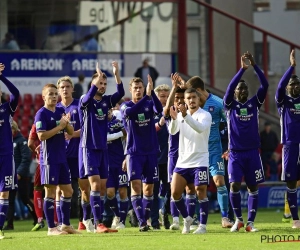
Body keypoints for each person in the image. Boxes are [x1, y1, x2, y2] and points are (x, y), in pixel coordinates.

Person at [223, 51, 268, 232]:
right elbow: (228, 88)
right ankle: (238, 220)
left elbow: (264, 84)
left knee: (252, 186)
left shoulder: (254, 104)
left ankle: (250, 223)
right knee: (234, 184)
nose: (242, 90)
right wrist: (241, 70)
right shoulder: (229, 105)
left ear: (248, 92)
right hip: (235, 153)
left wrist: (255, 66)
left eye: (244, 88)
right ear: (235, 92)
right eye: (239, 89)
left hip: (252, 153)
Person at [78, 61, 124, 233]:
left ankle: (94, 220)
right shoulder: (85, 100)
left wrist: (116, 73)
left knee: (103, 188)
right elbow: (88, 97)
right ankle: (98, 223)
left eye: (105, 83)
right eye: (99, 83)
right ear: (93, 84)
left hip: (103, 148)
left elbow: (120, 92)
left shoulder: (106, 102)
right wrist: (97, 77)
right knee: (95, 186)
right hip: (89, 148)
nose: (103, 86)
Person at [184, 76, 233, 228]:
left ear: (198, 91)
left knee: (220, 182)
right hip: (196, 151)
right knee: (196, 187)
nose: (191, 98)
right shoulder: (190, 104)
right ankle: (196, 218)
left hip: (214, 150)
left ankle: (225, 218)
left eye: (193, 94)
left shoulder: (218, 103)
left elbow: (231, 124)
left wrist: (230, 146)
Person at [34, 83, 79, 236]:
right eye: (50, 94)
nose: (54, 96)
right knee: (50, 193)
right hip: (49, 159)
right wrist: (60, 127)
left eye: (55, 94)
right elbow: (41, 136)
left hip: (62, 157)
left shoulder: (60, 111)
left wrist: (66, 124)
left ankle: (65, 225)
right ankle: (51, 228)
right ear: (43, 97)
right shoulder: (41, 114)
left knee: (68, 191)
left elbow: (71, 132)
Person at [120, 75, 163, 232]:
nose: (138, 90)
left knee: (149, 189)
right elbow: (131, 112)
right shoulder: (125, 106)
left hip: (151, 151)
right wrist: (147, 96)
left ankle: (144, 220)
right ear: (130, 90)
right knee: (136, 185)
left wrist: (151, 96)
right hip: (134, 152)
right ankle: (142, 222)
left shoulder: (149, 103)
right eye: (135, 88)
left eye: (141, 88)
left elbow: (159, 110)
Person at [169, 88, 212, 234]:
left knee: (201, 191)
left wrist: (185, 115)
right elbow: (173, 131)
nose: (191, 100)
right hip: (183, 161)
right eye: (188, 98)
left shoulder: (205, 115)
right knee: (175, 193)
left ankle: (203, 226)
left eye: (194, 97)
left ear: (199, 99)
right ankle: (187, 218)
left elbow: (199, 129)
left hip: (200, 160)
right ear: (185, 100)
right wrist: (175, 118)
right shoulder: (181, 115)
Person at [56, 76, 94, 232]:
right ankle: (61, 223)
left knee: (84, 188)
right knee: (59, 190)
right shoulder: (55, 109)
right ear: (59, 90)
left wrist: (73, 134)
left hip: (78, 153)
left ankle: (85, 220)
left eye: (67, 86)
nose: (65, 89)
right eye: (62, 87)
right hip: (60, 154)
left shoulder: (79, 105)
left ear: (73, 88)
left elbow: (87, 128)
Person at [275, 50, 300, 228]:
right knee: (291, 183)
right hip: (290, 147)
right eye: (292, 84)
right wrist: (291, 68)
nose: (295, 86)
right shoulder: (283, 103)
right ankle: (295, 219)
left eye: (298, 84)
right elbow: (279, 88)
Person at [163, 73, 186, 230]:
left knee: (190, 189)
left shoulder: (190, 111)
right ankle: (176, 220)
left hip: (189, 154)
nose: (178, 101)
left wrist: (186, 87)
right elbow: (165, 109)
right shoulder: (170, 112)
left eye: (180, 97)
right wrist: (174, 88)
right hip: (174, 155)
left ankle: (190, 218)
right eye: (176, 98)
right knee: (174, 189)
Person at [4, 121, 37, 230]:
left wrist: (19, 173)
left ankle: (37, 218)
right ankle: (10, 224)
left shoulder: (22, 141)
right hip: (10, 175)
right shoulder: (8, 141)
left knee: (25, 199)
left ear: (14, 129)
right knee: (10, 200)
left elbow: (26, 159)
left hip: (21, 177)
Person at [0, 63, 20, 239]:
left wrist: (1, 77)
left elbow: (16, 93)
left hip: (6, 156)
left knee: (5, 192)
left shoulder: (6, 108)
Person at [151, 84, 171, 230]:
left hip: (171, 157)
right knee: (154, 189)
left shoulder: (172, 112)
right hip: (155, 157)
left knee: (170, 188)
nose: (164, 99)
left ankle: (164, 212)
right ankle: (154, 221)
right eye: (162, 96)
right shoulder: (150, 112)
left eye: (166, 96)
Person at [106, 108, 128, 230]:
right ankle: (117, 215)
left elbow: (128, 135)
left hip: (120, 162)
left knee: (123, 191)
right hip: (107, 163)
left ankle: (123, 221)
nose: (107, 113)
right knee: (110, 193)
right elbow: (104, 138)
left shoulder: (119, 122)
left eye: (108, 111)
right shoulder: (99, 123)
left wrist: (126, 157)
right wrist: (121, 134)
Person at [28, 123, 45, 231]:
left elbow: (30, 143)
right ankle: (58, 221)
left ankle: (40, 219)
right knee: (57, 190)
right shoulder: (59, 119)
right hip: (59, 158)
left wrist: (37, 152)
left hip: (42, 161)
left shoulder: (36, 123)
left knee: (37, 190)